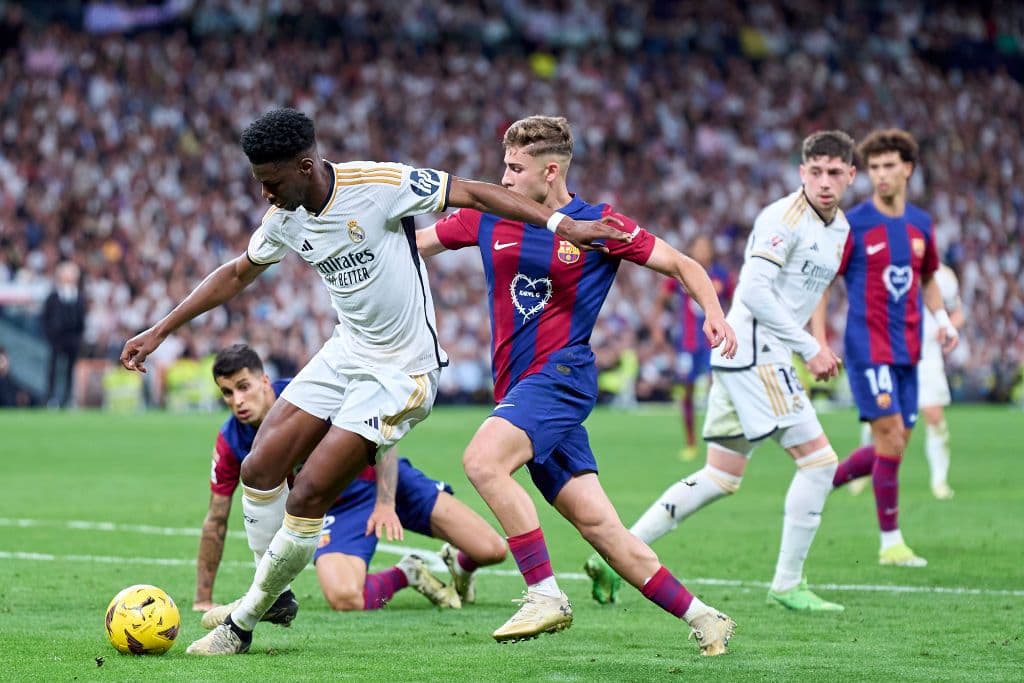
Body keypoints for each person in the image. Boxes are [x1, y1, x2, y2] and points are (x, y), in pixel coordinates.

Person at [119, 108, 629, 656]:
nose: (266, 195)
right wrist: (160, 329)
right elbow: (237, 272)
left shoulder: (381, 184)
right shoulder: (286, 217)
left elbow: (477, 195)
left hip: (403, 372)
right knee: (260, 467)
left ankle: (243, 622)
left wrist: (561, 224)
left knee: (310, 491)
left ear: (305, 166)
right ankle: (279, 593)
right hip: (346, 354)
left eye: (271, 183)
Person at [417, 115, 739, 655]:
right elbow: (416, 244)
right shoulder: (486, 216)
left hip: (561, 378)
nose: (504, 176)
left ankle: (544, 594)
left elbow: (682, 264)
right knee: (602, 528)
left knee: (481, 462)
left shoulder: (598, 224)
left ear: (550, 171)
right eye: (504, 165)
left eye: (515, 168)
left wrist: (713, 313)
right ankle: (706, 619)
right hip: (520, 395)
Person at [588, 130, 857, 612]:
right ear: (801, 172)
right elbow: (753, 291)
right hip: (757, 353)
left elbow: (810, 294)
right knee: (820, 464)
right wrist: (809, 347)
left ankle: (615, 556)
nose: (824, 181)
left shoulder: (839, 230)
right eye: (815, 171)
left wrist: (813, 340)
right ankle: (787, 583)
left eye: (834, 172)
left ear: (849, 175)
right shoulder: (783, 218)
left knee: (720, 476)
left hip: (747, 354)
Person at [194, 344, 506, 620]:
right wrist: (203, 598)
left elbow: (383, 429)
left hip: (385, 477)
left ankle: (461, 566)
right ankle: (406, 572)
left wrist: (386, 503)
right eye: (227, 393)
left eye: (243, 387)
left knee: (492, 550)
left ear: (264, 381)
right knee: (344, 598)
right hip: (339, 505)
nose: (237, 400)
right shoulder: (231, 440)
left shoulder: (309, 394)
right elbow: (217, 517)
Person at [824, 129, 958, 567]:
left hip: (910, 348)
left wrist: (941, 321)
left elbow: (929, 277)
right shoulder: (855, 223)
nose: (880, 174)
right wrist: (818, 335)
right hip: (867, 346)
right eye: (874, 167)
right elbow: (826, 278)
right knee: (889, 435)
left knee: (896, 444)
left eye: (888, 166)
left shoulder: (921, 224)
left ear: (907, 169)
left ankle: (821, 479)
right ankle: (891, 543)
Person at [848, 261, 964, 500]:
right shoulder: (890, 266)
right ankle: (864, 470)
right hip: (893, 353)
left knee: (934, 415)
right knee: (881, 419)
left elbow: (957, 312)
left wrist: (948, 328)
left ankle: (939, 481)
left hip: (928, 355)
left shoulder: (944, 276)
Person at [649, 235, 734, 461]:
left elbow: (735, 302)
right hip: (687, 344)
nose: (702, 249)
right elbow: (660, 301)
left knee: (717, 388)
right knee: (686, 391)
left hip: (714, 343)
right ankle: (690, 441)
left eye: (706, 245)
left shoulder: (722, 275)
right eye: (698, 245)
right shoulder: (681, 270)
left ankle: (719, 439)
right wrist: (657, 329)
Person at [41, 260, 86, 408]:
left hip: (73, 338)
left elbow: (81, 319)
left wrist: (79, 336)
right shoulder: (53, 296)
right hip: (57, 339)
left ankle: (68, 398)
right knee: (53, 369)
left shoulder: (79, 297)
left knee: (70, 370)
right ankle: (51, 398)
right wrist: (50, 335)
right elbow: (45, 317)